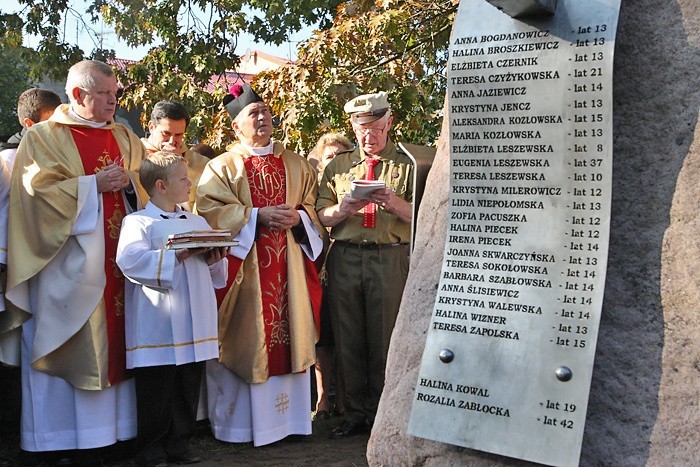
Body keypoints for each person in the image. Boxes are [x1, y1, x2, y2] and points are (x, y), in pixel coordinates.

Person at [4, 59, 146, 463]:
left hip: (119, 264)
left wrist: (129, 186)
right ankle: (56, 441)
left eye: (115, 93)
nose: (113, 101)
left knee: (116, 344)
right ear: (78, 94)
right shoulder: (44, 138)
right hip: (66, 266)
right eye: (105, 94)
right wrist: (91, 187)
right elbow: (33, 196)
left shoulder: (125, 135)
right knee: (68, 343)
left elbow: (142, 188)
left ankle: (114, 436)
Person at [196, 84, 324, 447]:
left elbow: (313, 207)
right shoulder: (221, 167)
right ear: (236, 127)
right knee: (248, 340)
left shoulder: (296, 163)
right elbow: (208, 212)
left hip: (290, 271)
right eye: (253, 114)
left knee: (291, 334)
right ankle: (243, 428)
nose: (263, 117)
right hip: (246, 274)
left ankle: (292, 423)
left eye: (266, 111)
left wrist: (300, 219)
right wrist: (255, 216)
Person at [117, 152, 228, 467]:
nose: (189, 182)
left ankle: (180, 444)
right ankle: (150, 449)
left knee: (187, 382)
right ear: (161, 186)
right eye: (183, 178)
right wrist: (177, 256)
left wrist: (214, 256)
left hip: (195, 313)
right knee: (157, 386)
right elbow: (130, 261)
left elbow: (213, 273)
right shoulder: (138, 221)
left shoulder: (197, 220)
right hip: (158, 320)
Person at [316, 91, 413, 438]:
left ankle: (385, 413)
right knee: (348, 335)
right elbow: (320, 213)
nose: (368, 137)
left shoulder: (409, 163)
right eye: (361, 130)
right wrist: (344, 210)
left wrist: (392, 201)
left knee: (386, 336)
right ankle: (355, 414)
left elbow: (425, 214)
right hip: (346, 254)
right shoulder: (338, 166)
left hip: (389, 256)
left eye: (375, 128)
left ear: (389, 123)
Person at [307, 133, 353, 419]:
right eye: (329, 156)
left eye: (341, 155)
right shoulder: (309, 189)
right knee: (322, 334)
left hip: (347, 262)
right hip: (317, 265)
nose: (335, 161)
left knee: (345, 333)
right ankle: (323, 396)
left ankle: (346, 398)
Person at [142, 100, 209, 211]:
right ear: (151, 127)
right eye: (166, 133)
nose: (172, 141)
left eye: (178, 135)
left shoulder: (202, 164)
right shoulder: (134, 155)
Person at [0, 88, 62, 173]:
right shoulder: (10, 158)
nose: (57, 128)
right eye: (49, 123)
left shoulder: (61, 150)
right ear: (29, 124)